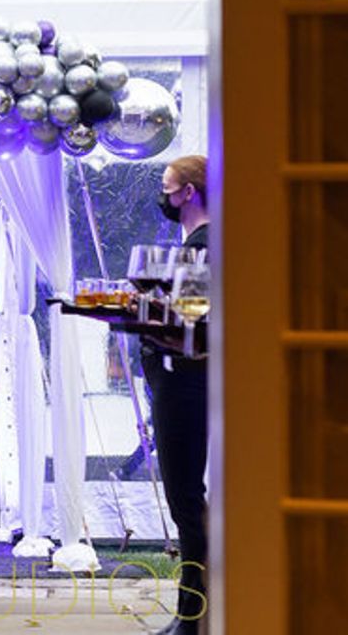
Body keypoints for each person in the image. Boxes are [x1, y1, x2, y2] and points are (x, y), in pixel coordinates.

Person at [142, 154, 211, 635]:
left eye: (168, 188)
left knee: (185, 498)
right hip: (180, 379)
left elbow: (189, 319)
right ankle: (194, 611)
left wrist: (144, 311)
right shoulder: (194, 243)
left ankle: (193, 614)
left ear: (188, 192)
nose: (163, 196)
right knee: (187, 498)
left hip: (184, 382)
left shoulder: (201, 246)